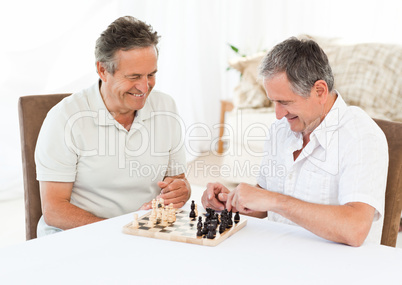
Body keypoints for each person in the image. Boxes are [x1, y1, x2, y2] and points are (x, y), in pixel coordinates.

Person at [202, 37, 388, 247]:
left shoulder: (361, 136)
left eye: (285, 102)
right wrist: (232, 200)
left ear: (319, 91)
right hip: (279, 254)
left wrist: (276, 201)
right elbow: (265, 205)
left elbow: (355, 229)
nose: (278, 114)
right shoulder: (281, 130)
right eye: (273, 101)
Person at [35, 16, 190, 236]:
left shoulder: (166, 106)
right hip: (79, 236)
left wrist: (180, 191)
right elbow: (55, 210)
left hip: (142, 232)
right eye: (134, 76)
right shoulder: (65, 118)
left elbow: (176, 180)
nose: (144, 87)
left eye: (151, 75)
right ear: (102, 70)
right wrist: (120, 231)